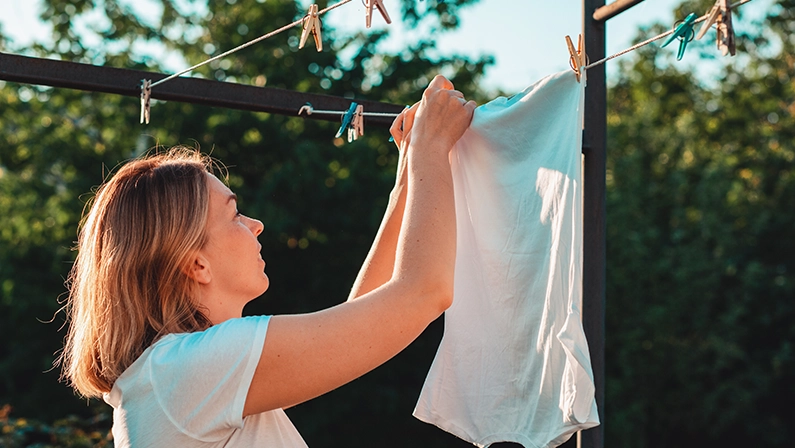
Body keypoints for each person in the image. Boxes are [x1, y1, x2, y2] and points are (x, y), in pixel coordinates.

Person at [58, 75, 476, 446]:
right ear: (196, 264)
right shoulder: (185, 371)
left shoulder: (176, 375)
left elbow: (362, 319)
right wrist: (431, 148)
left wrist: (407, 181)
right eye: (234, 215)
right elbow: (422, 293)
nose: (256, 224)